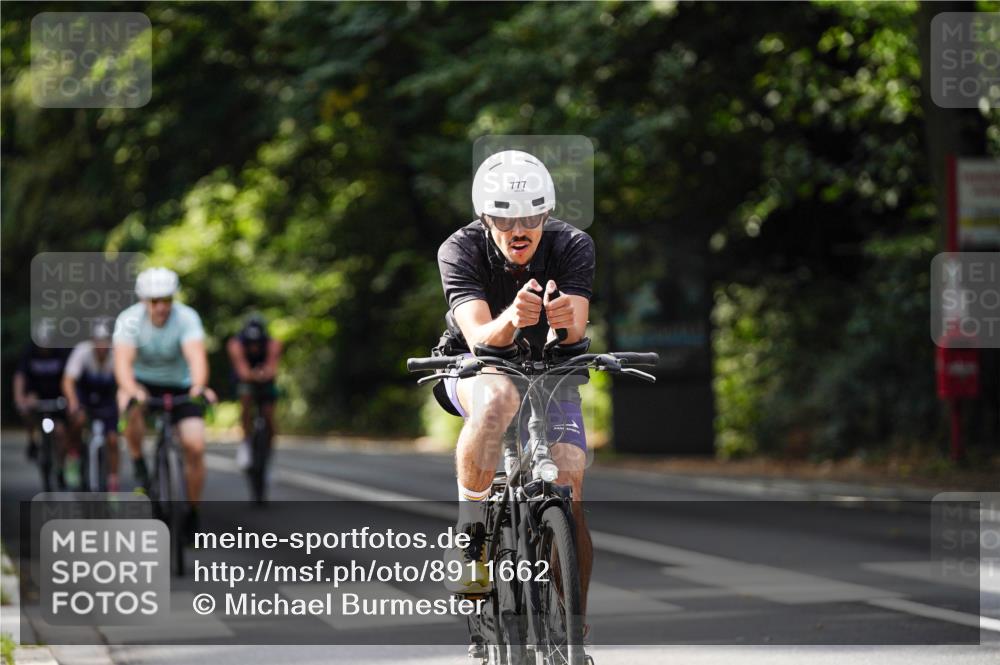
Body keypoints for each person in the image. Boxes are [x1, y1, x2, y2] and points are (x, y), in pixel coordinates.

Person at [433, 150, 595, 613]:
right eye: (505, 221)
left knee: (569, 481)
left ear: (547, 213)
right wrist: (513, 320)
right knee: (499, 396)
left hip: (550, 368)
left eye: (530, 217)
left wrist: (564, 322)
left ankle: (573, 628)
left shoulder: (572, 244)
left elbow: (575, 330)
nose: (519, 230)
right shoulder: (458, 248)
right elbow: (481, 335)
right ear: (485, 218)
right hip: (475, 361)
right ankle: (471, 532)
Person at [113, 267, 217, 537]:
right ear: (143, 301)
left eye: (167, 300)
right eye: (154, 301)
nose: (161, 307)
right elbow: (123, 364)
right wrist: (133, 390)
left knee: (195, 445)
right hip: (143, 384)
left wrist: (198, 385)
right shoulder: (129, 319)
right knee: (125, 401)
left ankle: (192, 512)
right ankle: (139, 464)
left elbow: (196, 358)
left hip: (181, 384)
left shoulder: (186, 317)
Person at [63, 320, 120, 491]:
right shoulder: (82, 351)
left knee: (113, 439)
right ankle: (73, 456)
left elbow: (124, 382)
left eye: (105, 341)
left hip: (107, 400)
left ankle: (113, 481)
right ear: (92, 340)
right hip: (85, 398)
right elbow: (68, 381)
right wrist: (73, 402)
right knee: (77, 421)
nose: (102, 345)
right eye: (98, 340)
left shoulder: (117, 354)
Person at [13, 325, 71, 483]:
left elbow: (69, 378)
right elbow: (20, 377)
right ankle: (32, 439)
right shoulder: (29, 352)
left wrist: (69, 398)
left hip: (57, 397)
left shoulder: (61, 353)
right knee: (26, 412)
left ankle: (61, 467)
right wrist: (20, 399)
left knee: (60, 433)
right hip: (35, 396)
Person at [226, 314, 281, 470]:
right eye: (251, 342)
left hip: (266, 381)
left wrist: (265, 373)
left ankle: (269, 450)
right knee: (246, 400)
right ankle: (245, 442)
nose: (254, 346)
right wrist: (254, 375)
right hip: (246, 380)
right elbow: (243, 371)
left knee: (269, 415)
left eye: (257, 342)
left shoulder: (273, 344)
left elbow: (272, 367)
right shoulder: (236, 344)